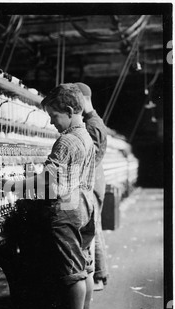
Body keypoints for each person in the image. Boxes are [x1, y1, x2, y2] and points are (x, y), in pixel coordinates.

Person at [1, 83, 96, 309]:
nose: (53, 123)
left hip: (66, 209)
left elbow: (47, 183)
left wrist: (11, 186)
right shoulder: (86, 136)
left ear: (68, 110)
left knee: (72, 271)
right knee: (84, 267)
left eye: (54, 116)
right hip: (85, 204)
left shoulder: (65, 141)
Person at [75, 82, 109, 291]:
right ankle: (100, 275)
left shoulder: (93, 124)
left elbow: (90, 157)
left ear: (82, 99)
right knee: (95, 230)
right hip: (95, 182)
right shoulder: (92, 121)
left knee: (92, 231)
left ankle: (97, 277)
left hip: (92, 184)